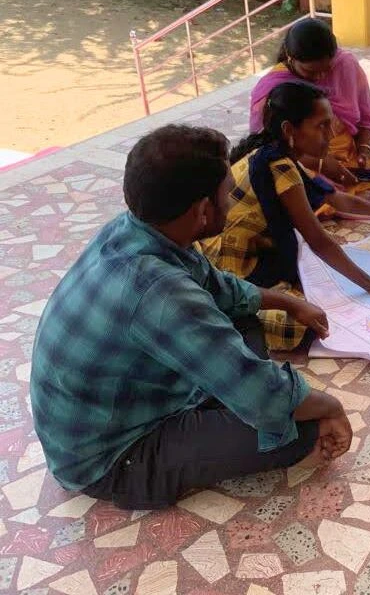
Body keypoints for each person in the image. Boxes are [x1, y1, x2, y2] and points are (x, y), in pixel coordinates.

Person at [30, 125, 353, 510]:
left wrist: (287, 302)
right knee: (300, 432)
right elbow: (267, 399)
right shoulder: (161, 292)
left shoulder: (134, 230)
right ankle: (232, 397)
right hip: (112, 458)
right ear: (202, 212)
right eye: (227, 195)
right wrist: (330, 405)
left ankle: (231, 391)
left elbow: (222, 289)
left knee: (246, 317)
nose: (233, 204)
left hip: (127, 402)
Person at [201, 81, 370, 351]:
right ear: (289, 130)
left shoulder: (277, 155)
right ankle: (228, 314)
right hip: (231, 265)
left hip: (236, 252)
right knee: (307, 322)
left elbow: (335, 198)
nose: (330, 135)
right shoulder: (279, 166)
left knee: (305, 288)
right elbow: (318, 239)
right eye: (321, 126)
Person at [250, 17, 370, 213]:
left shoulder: (345, 65)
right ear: (290, 57)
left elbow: (365, 121)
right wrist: (321, 164)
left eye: (327, 70)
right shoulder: (276, 87)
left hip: (347, 161)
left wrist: (363, 152)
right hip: (301, 163)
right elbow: (266, 149)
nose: (320, 78)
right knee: (303, 190)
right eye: (311, 72)